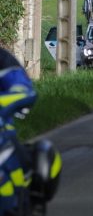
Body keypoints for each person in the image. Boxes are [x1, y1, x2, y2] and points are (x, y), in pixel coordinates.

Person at [0, 48, 39, 213]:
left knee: (26, 166)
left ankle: (20, 203)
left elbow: (20, 85)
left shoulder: (2, 59)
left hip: (1, 133)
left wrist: (15, 97)